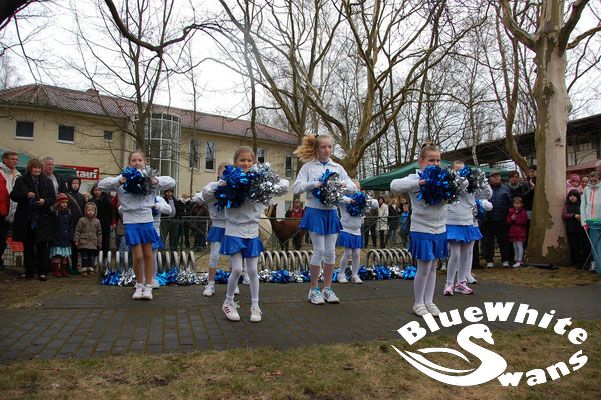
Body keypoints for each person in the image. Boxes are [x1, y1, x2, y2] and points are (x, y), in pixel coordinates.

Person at [202, 147, 288, 322]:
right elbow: (206, 193)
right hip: (234, 230)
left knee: (253, 270)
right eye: (242, 160)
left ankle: (255, 306)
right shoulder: (229, 180)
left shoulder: (259, 182)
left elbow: (283, 186)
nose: (246, 163)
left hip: (252, 231)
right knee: (237, 269)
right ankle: (228, 302)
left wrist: (270, 182)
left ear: (254, 162)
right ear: (236, 162)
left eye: (249, 160)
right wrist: (222, 184)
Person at [98, 150, 175, 300]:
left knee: (148, 254)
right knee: (137, 256)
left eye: (140, 160)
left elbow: (171, 182)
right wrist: (120, 180)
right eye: (134, 160)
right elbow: (101, 185)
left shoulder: (148, 178)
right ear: (129, 163)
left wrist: (155, 181)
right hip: (131, 220)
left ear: (144, 162)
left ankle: (148, 286)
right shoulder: (123, 179)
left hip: (147, 219)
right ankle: (139, 284)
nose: (137, 162)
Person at [292, 133, 356, 305]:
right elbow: (296, 187)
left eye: (330, 147)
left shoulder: (337, 167)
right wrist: (315, 184)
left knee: (331, 252)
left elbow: (352, 186)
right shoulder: (308, 167)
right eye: (323, 147)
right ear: (316, 148)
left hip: (331, 212)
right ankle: (314, 289)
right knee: (319, 251)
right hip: (315, 212)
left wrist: (344, 185)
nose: (327, 150)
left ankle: (327, 288)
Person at [390, 143, 446, 318]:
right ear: (421, 161)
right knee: (424, 266)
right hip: (421, 228)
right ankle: (418, 302)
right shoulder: (414, 178)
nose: (435, 164)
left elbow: (463, 183)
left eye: (437, 160)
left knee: (433, 266)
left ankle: (429, 301)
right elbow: (394, 185)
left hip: (440, 229)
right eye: (431, 160)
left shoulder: (444, 178)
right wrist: (420, 182)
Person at [443, 161, 492, 296]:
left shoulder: (472, 183)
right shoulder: (449, 183)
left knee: (466, 253)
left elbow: (487, 195)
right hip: (453, 221)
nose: (461, 173)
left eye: (463, 170)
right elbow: (454, 190)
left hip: (468, 221)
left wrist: (483, 182)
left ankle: (461, 282)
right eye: (457, 170)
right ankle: (449, 283)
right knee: (455, 254)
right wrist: (460, 180)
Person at [10, 157, 56, 280]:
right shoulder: (21, 180)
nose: (37, 170)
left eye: (39, 168)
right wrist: (26, 195)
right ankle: (29, 272)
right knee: (28, 246)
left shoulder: (47, 181)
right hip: (27, 219)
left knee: (42, 247)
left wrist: (44, 201)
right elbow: (13, 195)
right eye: (34, 168)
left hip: (42, 218)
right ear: (30, 168)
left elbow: (52, 198)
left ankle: (43, 272)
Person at [195, 162, 230, 297]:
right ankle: (210, 284)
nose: (225, 174)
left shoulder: (235, 187)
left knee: (233, 257)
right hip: (217, 226)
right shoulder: (213, 187)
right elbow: (204, 193)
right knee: (214, 256)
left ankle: (233, 284)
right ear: (218, 173)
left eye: (228, 171)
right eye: (223, 171)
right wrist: (220, 186)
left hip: (231, 227)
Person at [337, 180, 377, 284]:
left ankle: (355, 274)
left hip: (357, 230)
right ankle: (341, 274)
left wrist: (364, 200)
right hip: (346, 229)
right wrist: (349, 200)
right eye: (355, 187)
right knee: (347, 253)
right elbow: (337, 198)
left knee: (356, 254)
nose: (357, 189)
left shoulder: (362, 199)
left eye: (358, 187)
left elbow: (375, 204)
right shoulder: (343, 199)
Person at [482, 170, 513, 268]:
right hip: (489, 219)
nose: (496, 178)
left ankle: (505, 260)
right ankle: (489, 261)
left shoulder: (506, 189)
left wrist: (508, 216)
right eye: (494, 176)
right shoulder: (486, 189)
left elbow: (510, 203)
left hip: (502, 219)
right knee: (488, 242)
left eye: (498, 176)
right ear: (490, 178)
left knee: (503, 241)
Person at [0, 151, 21, 271]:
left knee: (3, 240)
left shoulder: (18, 175)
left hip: (12, 213)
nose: (15, 161)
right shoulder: (1, 172)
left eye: (16, 159)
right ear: (4, 159)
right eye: (12, 159)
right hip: (1, 211)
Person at [562, 189, 590, 268]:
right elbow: (564, 215)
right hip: (571, 229)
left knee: (583, 246)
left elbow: (586, 213)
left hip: (581, 228)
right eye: (571, 196)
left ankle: (585, 262)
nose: (572, 197)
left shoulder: (581, 204)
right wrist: (574, 215)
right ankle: (577, 262)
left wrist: (582, 217)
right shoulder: (567, 205)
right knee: (574, 246)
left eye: (574, 196)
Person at [580, 171, 601, 273]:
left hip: (600, 219)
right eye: (591, 181)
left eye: (595, 181)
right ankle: (598, 266)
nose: (593, 183)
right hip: (591, 221)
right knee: (595, 245)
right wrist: (584, 221)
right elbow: (583, 205)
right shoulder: (586, 189)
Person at [49, 193, 74, 277]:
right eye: (62, 202)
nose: (64, 204)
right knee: (57, 255)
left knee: (64, 256)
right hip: (57, 236)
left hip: (66, 237)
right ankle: (56, 270)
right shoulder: (55, 213)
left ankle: (63, 270)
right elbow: (52, 225)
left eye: (66, 202)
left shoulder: (69, 213)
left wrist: (70, 234)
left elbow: (71, 224)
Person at [74, 202, 102, 276]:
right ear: (86, 211)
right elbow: (77, 231)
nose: (90, 212)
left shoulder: (97, 221)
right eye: (89, 210)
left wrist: (99, 242)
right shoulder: (82, 220)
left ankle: (91, 269)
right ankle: (84, 269)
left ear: (95, 211)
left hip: (93, 242)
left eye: (92, 210)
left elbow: (99, 233)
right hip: (84, 242)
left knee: (92, 257)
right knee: (84, 257)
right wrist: (76, 240)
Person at [66, 176, 86, 274]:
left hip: (78, 225)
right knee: (66, 246)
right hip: (67, 224)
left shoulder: (82, 197)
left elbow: (84, 210)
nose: (75, 185)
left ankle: (74, 266)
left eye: (77, 183)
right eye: (73, 183)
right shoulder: (66, 196)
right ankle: (66, 266)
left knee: (75, 246)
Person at [89, 181, 114, 256]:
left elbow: (111, 213)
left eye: (99, 190)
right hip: (94, 226)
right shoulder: (91, 201)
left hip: (105, 225)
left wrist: (109, 223)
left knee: (105, 244)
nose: (97, 192)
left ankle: (105, 259)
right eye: (95, 190)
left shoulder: (107, 200)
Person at [506, 197, 528, 268]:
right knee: (515, 246)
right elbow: (508, 220)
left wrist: (515, 219)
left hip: (520, 232)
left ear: (521, 204)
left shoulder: (523, 212)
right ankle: (516, 259)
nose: (517, 205)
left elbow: (523, 222)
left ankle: (520, 260)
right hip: (513, 231)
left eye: (518, 203)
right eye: (515, 203)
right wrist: (511, 219)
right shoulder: (511, 211)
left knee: (519, 246)